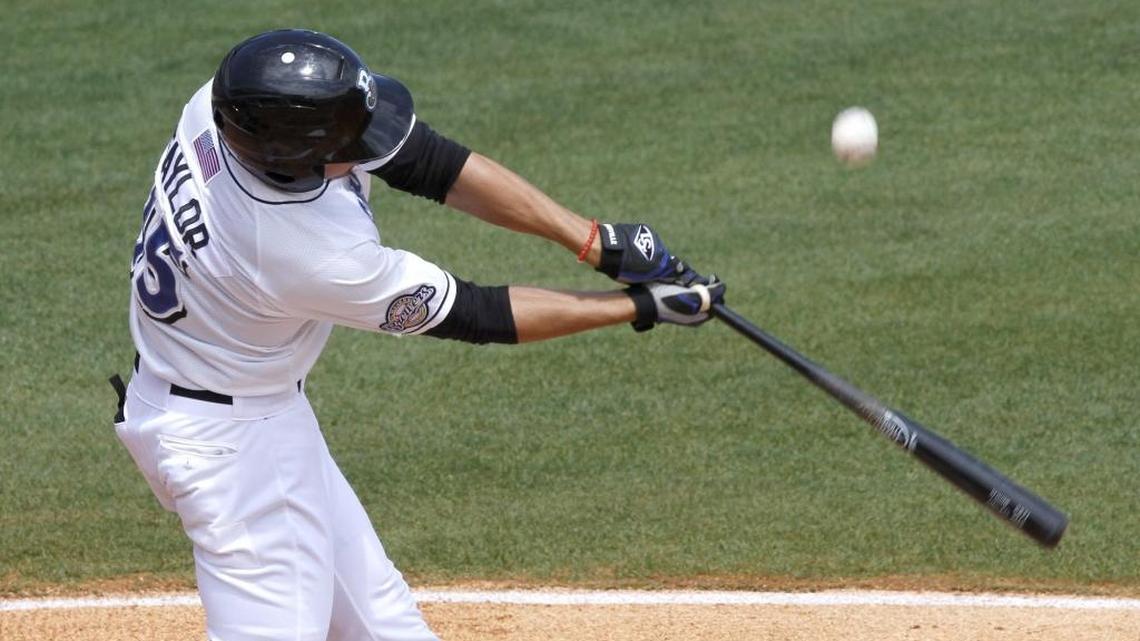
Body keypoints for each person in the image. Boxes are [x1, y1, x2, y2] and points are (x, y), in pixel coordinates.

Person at [111, 29, 724, 641]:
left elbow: (430, 163)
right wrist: (638, 306)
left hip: (232, 407)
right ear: (298, 161)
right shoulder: (306, 252)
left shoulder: (226, 112)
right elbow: (480, 313)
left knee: (386, 627)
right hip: (236, 454)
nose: (370, 146)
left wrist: (593, 240)